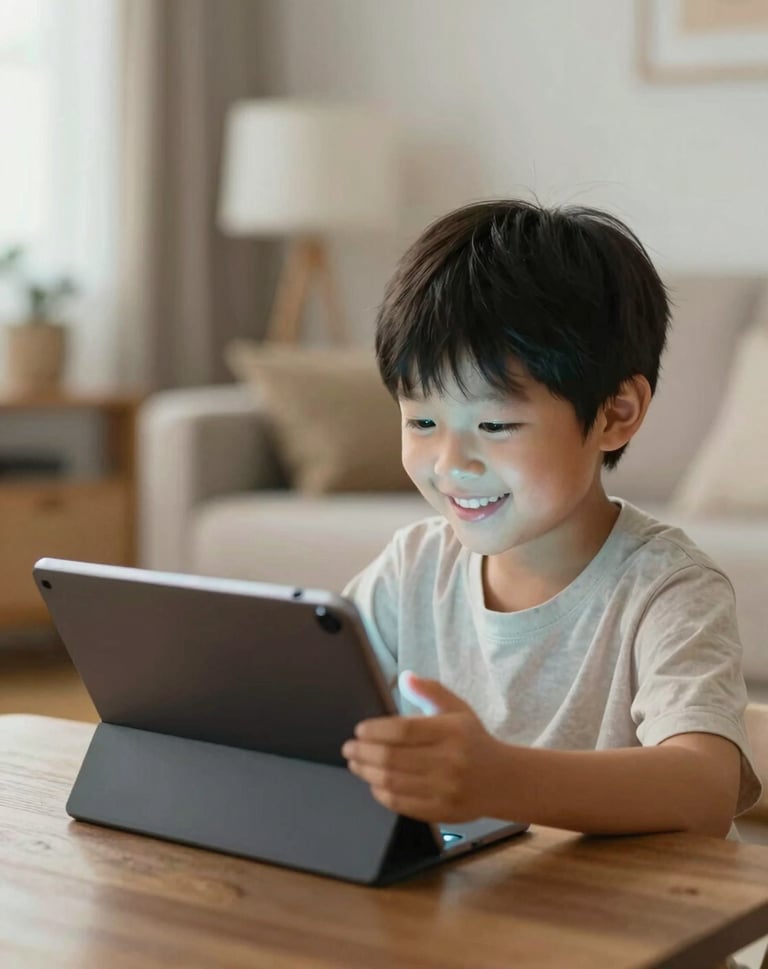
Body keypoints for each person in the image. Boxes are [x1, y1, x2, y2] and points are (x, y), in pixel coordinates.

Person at [339, 199, 761, 838]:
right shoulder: (412, 568)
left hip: (634, 928)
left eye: (496, 425)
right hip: (477, 918)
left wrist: (499, 779)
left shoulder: (668, 588)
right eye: (422, 421)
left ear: (616, 414)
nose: (452, 463)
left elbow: (704, 787)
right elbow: (310, 704)